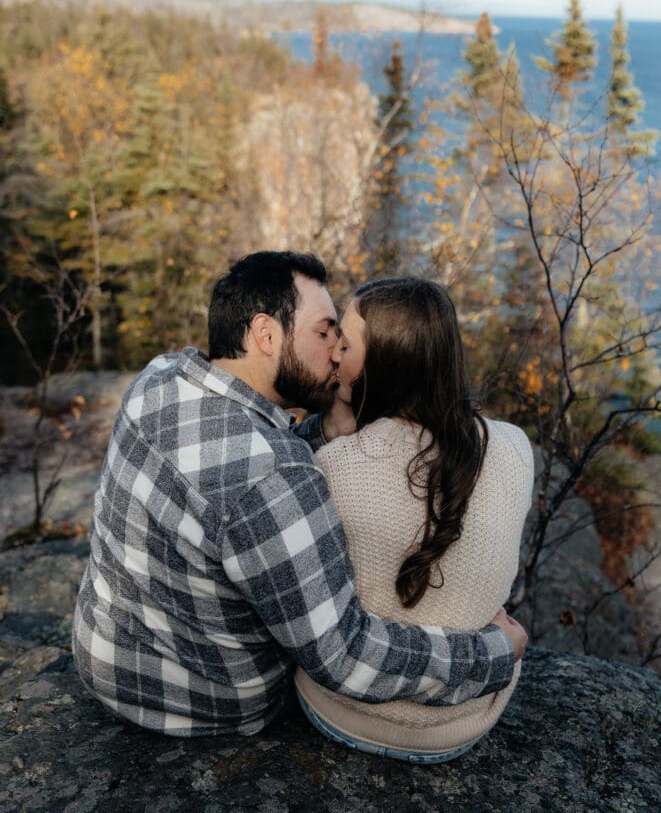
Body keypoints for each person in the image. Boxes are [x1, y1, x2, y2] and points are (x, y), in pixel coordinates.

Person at [72, 251, 527, 737]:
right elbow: (344, 656)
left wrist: (319, 432)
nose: (336, 352)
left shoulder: (161, 378)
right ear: (266, 334)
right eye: (324, 330)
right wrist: (492, 652)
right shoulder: (276, 478)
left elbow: (234, 474)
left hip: (104, 655)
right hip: (203, 699)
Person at [295, 277, 535, 763]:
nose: (334, 355)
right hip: (466, 720)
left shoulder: (333, 467)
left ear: (385, 361)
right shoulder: (514, 448)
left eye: (345, 342)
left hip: (344, 713)